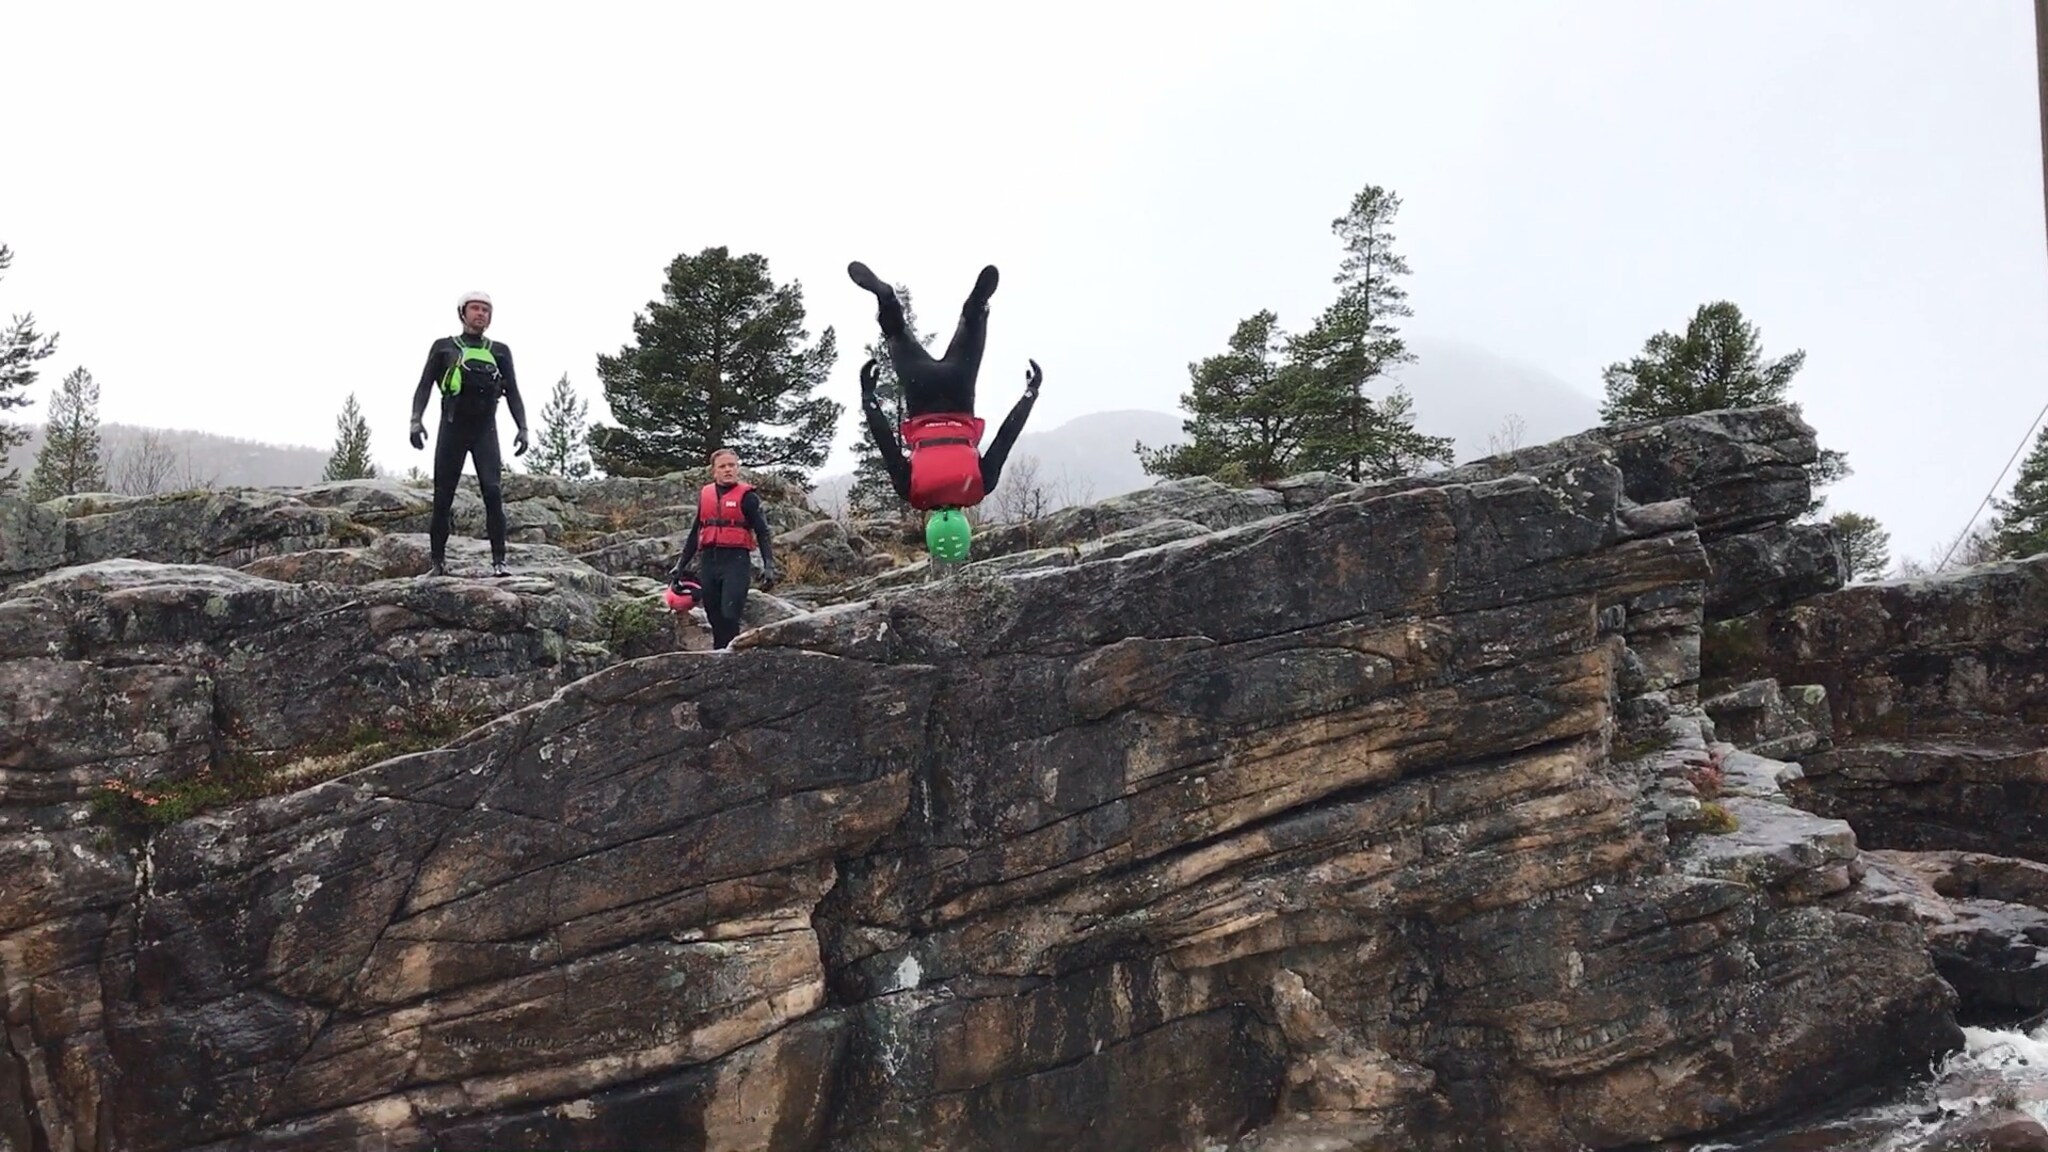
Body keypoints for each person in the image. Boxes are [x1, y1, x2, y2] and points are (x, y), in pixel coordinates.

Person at [848, 261, 1043, 514]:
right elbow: (885, 441)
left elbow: (1005, 437)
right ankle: (887, 300)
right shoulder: (910, 490)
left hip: (958, 391)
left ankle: (977, 307)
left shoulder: (981, 485)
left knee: (971, 327)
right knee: (896, 334)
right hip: (921, 393)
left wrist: (1030, 394)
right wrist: (868, 399)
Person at [409, 290, 529, 577]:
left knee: (493, 492)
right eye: (475, 309)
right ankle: (437, 563)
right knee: (443, 496)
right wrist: (416, 420)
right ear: (462, 313)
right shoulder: (443, 347)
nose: (480, 314)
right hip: (452, 428)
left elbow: (512, 391)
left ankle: (500, 562)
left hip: (485, 430)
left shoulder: (500, 350)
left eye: (485, 310)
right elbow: (425, 385)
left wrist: (523, 427)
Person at [667, 448, 779, 650]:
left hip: (736, 562)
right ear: (714, 471)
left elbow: (763, 532)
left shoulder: (748, 498)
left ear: (738, 468)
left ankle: (731, 656)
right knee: (713, 615)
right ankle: (720, 656)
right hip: (709, 561)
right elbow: (696, 532)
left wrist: (768, 565)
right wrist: (680, 565)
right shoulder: (706, 495)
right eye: (722, 466)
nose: (728, 470)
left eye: (732, 465)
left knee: (729, 614)